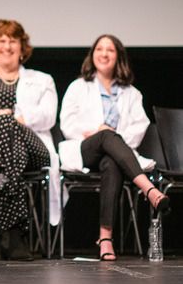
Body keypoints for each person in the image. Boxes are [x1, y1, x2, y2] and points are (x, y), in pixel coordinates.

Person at [59, 34, 170, 261]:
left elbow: (139, 127)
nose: (104, 54)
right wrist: (97, 131)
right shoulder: (78, 87)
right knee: (105, 135)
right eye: (99, 49)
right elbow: (67, 124)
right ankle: (149, 189)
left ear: (118, 56)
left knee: (112, 162)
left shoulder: (132, 93)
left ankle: (105, 239)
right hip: (84, 150)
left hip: (117, 156)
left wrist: (112, 138)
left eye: (110, 50)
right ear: (92, 55)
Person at [0, 19, 59, 260]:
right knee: (10, 154)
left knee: (8, 123)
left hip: (33, 148)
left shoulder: (43, 79)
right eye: (2, 40)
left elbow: (49, 116)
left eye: (13, 41)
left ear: (22, 47)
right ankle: (13, 235)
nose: (7, 46)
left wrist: (16, 118)